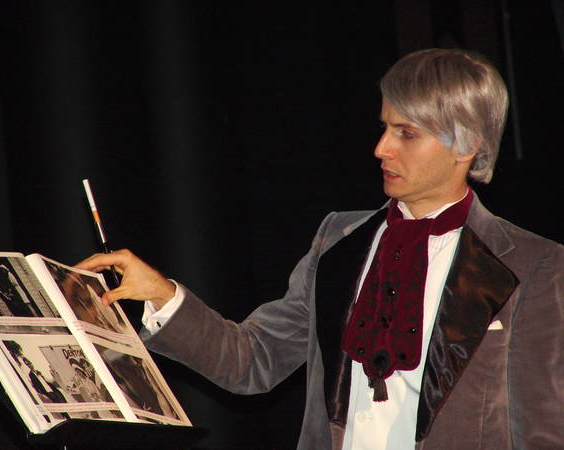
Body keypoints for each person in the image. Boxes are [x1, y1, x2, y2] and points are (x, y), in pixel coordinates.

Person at [76, 48, 564, 449]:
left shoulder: (535, 264)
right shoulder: (339, 240)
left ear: (466, 145)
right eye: (385, 127)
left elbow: (544, 431)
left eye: (406, 133)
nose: (381, 148)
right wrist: (162, 295)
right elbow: (252, 361)